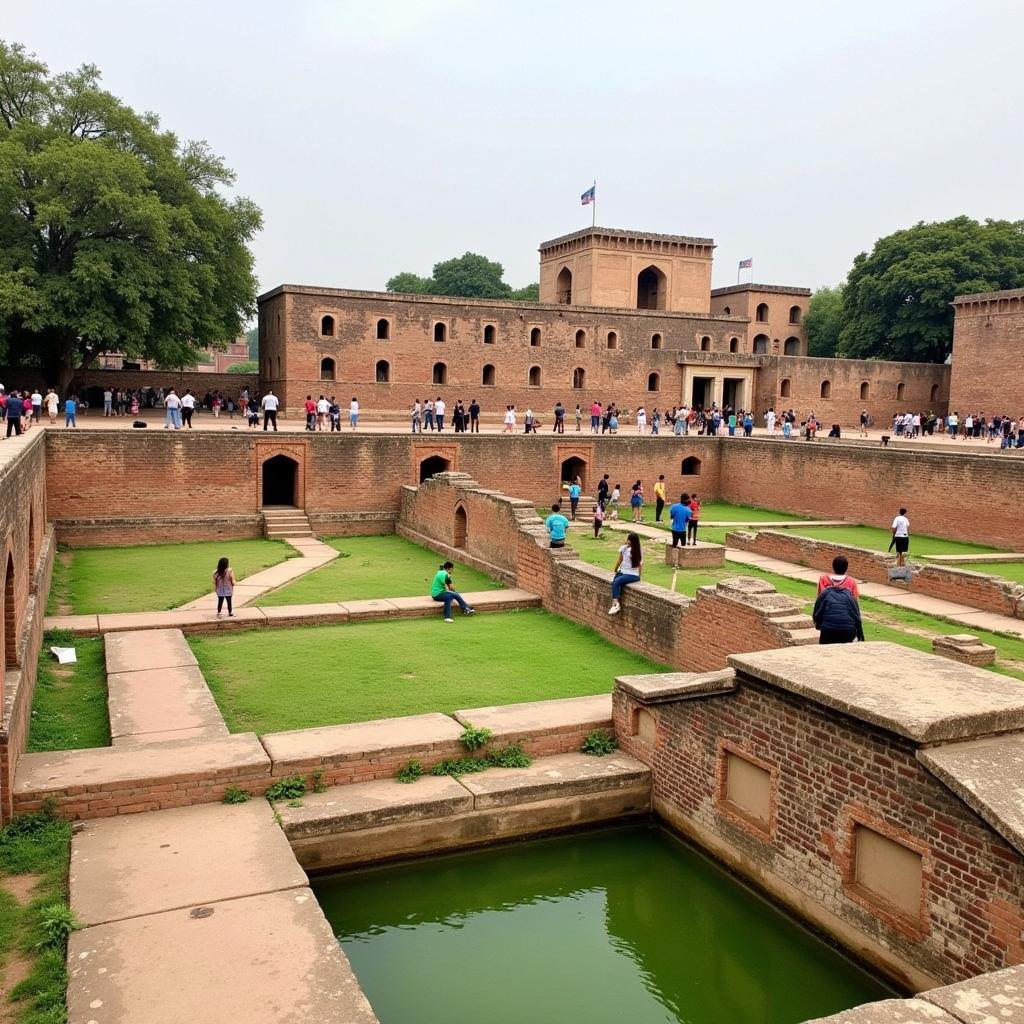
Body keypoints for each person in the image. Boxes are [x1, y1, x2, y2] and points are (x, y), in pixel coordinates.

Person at [812, 575, 865, 644]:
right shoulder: (849, 595)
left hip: (828, 629)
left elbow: (817, 612)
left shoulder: (825, 593)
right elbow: (857, 615)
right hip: (848, 630)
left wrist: (818, 625)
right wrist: (860, 634)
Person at [608, 532, 643, 615]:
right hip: (623, 571)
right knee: (614, 582)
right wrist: (615, 569)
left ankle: (615, 604)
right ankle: (616, 605)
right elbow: (619, 560)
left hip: (632, 574)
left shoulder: (638, 551)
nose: (627, 541)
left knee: (617, 582)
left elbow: (640, 565)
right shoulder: (624, 548)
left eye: (629, 540)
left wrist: (639, 576)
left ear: (632, 541)